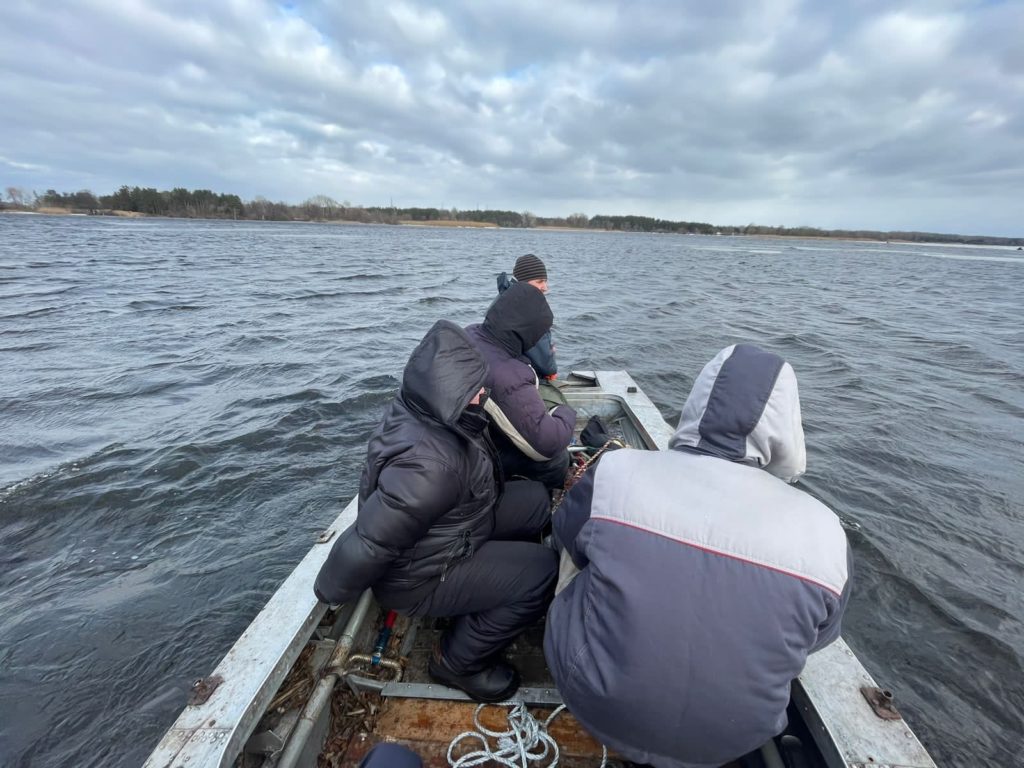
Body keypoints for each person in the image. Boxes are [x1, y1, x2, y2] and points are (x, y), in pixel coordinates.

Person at [544, 344, 853, 768]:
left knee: (574, 546)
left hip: (598, 706)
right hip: (735, 737)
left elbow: (564, 535)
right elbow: (819, 638)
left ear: (697, 401)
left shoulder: (615, 472)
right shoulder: (825, 531)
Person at [314, 320, 558, 703]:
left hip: (452, 530)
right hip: (420, 576)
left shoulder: (428, 408)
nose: (483, 392)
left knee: (535, 501)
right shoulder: (430, 469)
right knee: (543, 571)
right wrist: (330, 591)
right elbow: (370, 542)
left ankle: (487, 599)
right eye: (478, 387)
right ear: (456, 391)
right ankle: (456, 662)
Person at [465, 280, 577, 490]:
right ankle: (540, 503)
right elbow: (546, 445)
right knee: (556, 460)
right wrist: (566, 413)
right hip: (474, 461)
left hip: (460, 438)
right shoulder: (508, 375)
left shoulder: (471, 333)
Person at [496, 254, 558, 380]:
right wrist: (550, 355)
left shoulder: (503, 298)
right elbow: (546, 366)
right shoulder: (528, 308)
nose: (545, 288)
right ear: (524, 282)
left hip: (499, 370)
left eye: (545, 281)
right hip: (516, 378)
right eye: (539, 281)